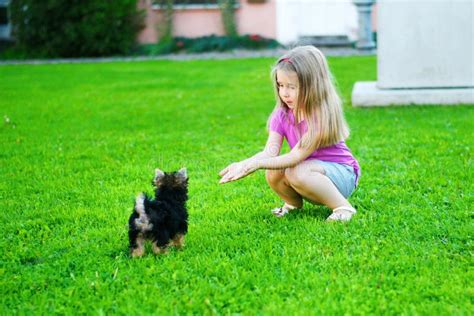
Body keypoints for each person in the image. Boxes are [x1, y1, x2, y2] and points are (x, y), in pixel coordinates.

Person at [218, 46, 360, 221]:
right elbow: (270, 152)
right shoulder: (282, 114)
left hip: (341, 176)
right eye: (280, 85)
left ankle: (343, 207)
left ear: (312, 86)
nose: (284, 93)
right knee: (273, 171)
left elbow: (296, 156)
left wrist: (258, 164)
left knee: (294, 170)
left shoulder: (320, 115)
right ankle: (292, 205)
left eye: (292, 87)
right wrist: (245, 163)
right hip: (309, 171)